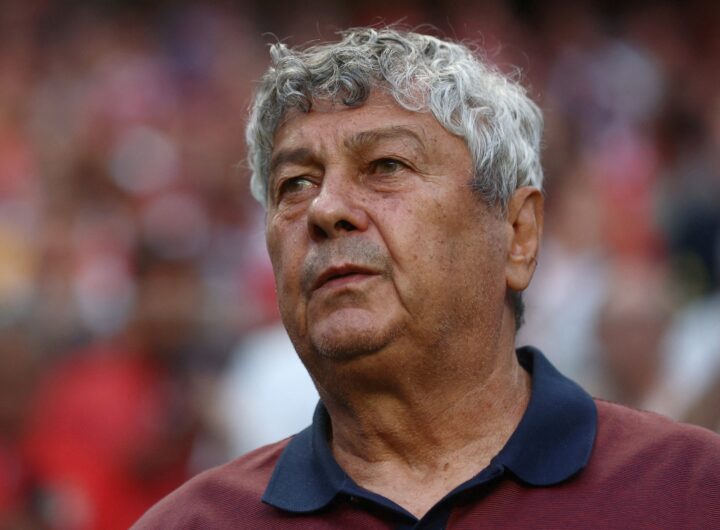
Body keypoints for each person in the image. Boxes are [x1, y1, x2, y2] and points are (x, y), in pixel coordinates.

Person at [133, 27, 720, 529]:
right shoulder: (193, 523)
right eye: (296, 184)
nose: (325, 209)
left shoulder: (692, 491)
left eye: (386, 165)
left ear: (519, 234)